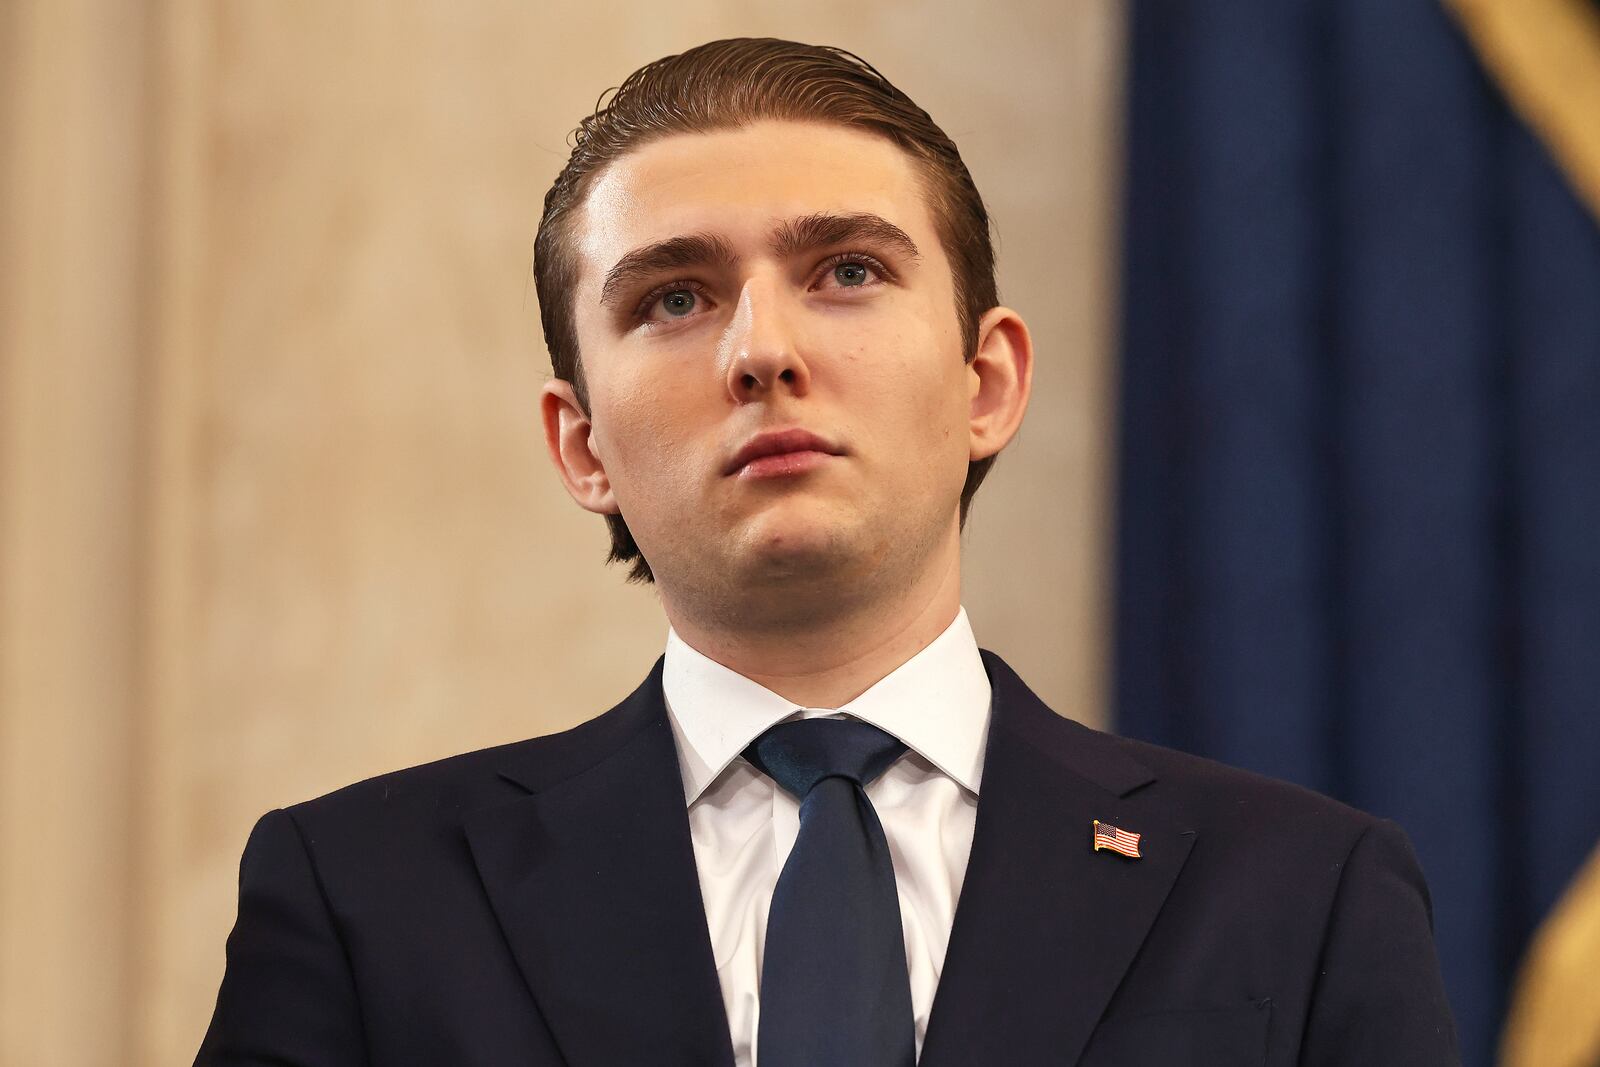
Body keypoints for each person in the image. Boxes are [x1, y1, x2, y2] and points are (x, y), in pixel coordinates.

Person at [194, 37, 1460, 1067]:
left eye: (846, 269)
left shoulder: (1302, 889)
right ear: (581, 444)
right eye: (672, 298)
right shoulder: (365, 896)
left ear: (987, 381)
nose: (760, 349)